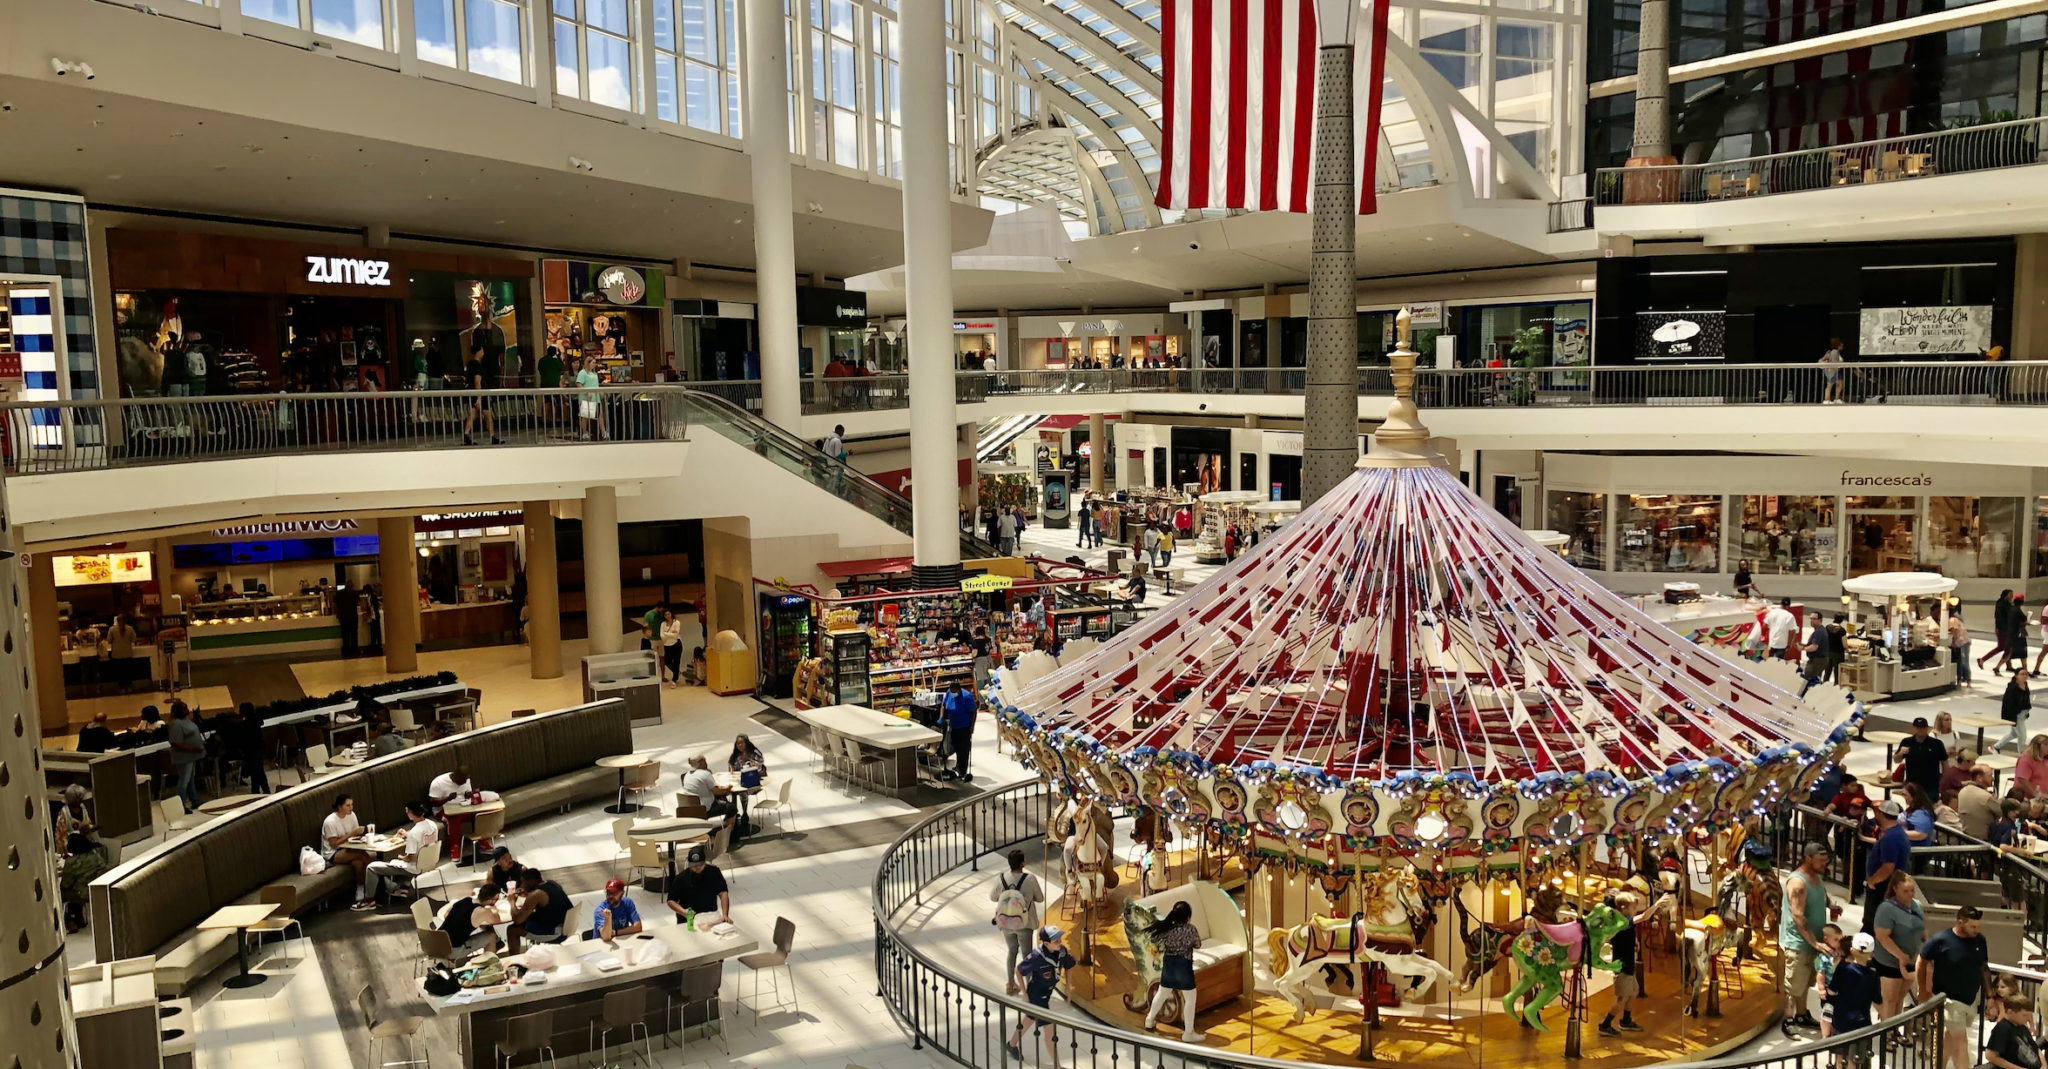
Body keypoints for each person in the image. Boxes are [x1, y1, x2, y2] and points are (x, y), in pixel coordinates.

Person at [1920, 905, 1992, 1069]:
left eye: (1978, 926)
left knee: (1949, 1039)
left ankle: (1938, 1066)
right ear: (1960, 922)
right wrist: (1922, 989)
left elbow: (1984, 967)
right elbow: (1921, 961)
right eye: (1973, 926)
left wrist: (1991, 996)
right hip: (1949, 1001)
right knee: (1961, 1043)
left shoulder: (1980, 940)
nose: (1976, 930)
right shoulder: (1940, 940)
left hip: (1970, 1000)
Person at [1780, 841, 1838, 1035]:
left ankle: (1802, 1015)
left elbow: (1820, 892)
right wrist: (1814, 942)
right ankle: (1787, 1021)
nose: (1824, 865)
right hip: (1798, 942)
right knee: (1793, 983)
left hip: (1814, 941)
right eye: (1821, 861)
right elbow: (1798, 915)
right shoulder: (1797, 883)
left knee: (1805, 982)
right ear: (1808, 858)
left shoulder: (1816, 877)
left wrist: (1830, 905)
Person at [1005, 925, 1078, 1067]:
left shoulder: (1061, 952)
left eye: (1059, 938)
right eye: (1055, 940)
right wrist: (1025, 993)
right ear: (1046, 943)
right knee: (1049, 1030)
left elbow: (1069, 965)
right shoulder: (1037, 957)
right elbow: (1019, 970)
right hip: (1036, 996)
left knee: (1029, 1020)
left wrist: (1068, 986)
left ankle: (1011, 1044)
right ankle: (1057, 1066)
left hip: (1047, 993)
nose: (1059, 941)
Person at [1141, 901, 1203, 1042]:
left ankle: (1149, 1019)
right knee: (1190, 999)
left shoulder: (1167, 928)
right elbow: (1198, 944)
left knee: (1163, 992)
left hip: (1169, 964)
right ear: (1188, 916)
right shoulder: (1191, 930)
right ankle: (1188, 1033)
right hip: (1184, 966)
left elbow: (1154, 938)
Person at [363, 800, 438, 907]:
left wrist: (402, 858)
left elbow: (411, 857)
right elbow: (424, 840)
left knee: (371, 867)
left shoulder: (414, 832)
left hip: (415, 867)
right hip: (430, 862)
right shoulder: (432, 824)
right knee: (396, 862)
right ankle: (402, 887)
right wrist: (407, 835)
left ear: (410, 812)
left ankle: (368, 900)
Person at [991, 849, 1045, 994]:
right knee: (1027, 954)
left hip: (1005, 921)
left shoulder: (1001, 877)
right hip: (1024, 922)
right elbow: (1040, 898)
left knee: (1012, 950)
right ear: (1023, 863)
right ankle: (1029, 986)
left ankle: (1010, 984)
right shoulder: (1030, 879)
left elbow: (993, 897)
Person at [1872, 873, 1925, 1021]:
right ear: (1895, 889)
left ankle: (1894, 1031)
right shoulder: (1886, 909)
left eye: (1912, 891)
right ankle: (1887, 1037)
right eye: (1905, 891)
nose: (1910, 895)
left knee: (1900, 998)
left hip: (1911, 960)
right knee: (1890, 1000)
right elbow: (1882, 936)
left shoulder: (1917, 906)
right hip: (1889, 961)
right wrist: (1900, 956)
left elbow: (1922, 928)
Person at [1862, 801, 1910, 935]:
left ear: (1881, 814)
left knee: (1872, 924)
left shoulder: (1891, 838)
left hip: (1881, 888)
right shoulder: (1895, 833)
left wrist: (1872, 881)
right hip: (1886, 886)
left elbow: (1888, 867)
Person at [323, 794, 377, 910]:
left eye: (351, 805)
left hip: (350, 847)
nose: (351, 808)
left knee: (359, 863)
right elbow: (333, 844)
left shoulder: (351, 815)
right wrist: (352, 834)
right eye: (348, 805)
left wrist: (359, 836)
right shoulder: (330, 822)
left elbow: (356, 835)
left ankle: (360, 888)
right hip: (333, 853)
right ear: (339, 807)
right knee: (360, 854)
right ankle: (383, 877)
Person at [1825, 933, 1881, 1036]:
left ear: (1851, 950)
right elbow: (1877, 1001)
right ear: (1872, 954)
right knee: (1862, 1051)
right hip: (1862, 1024)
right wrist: (1881, 1012)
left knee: (1840, 1050)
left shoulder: (1842, 969)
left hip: (1841, 1021)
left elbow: (1831, 991)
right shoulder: (1873, 976)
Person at [508, 868, 571, 953]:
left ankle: (514, 960)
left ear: (531, 882)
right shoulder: (551, 883)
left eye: (523, 882)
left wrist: (511, 901)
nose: (522, 885)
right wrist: (527, 894)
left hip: (557, 931)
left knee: (512, 929)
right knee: (529, 918)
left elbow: (517, 920)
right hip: (567, 925)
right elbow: (549, 900)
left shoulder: (536, 894)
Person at [665, 846, 731, 925]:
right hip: (688, 919)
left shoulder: (714, 873)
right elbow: (671, 900)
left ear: (704, 862)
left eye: (700, 865)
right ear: (689, 864)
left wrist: (725, 914)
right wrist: (684, 912)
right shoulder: (681, 878)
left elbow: (723, 893)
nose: (697, 868)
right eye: (694, 866)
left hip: (710, 915)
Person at [434, 882, 506, 952]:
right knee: (491, 937)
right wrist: (495, 911)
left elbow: (446, 915)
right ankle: (489, 961)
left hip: (436, 942)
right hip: (452, 949)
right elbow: (497, 921)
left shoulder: (466, 900)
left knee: (485, 928)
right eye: (496, 899)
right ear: (489, 901)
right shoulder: (481, 911)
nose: (496, 901)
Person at [166, 701, 206, 812]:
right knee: (183, 782)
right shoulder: (176, 724)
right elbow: (176, 743)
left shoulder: (186, 721)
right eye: (185, 708)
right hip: (184, 757)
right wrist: (194, 749)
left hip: (191, 757)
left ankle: (194, 800)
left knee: (190, 780)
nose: (187, 710)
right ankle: (181, 806)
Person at [1898, 717, 1949, 803]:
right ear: (1913, 728)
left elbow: (1945, 763)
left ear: (1927, 728)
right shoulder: (1906, 742)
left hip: (1931, 786)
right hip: (1913, 785)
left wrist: (1944, 781)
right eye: (1918, 727)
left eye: (1923, 727)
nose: (1920, 730)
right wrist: (1901, 753)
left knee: (1931, 809)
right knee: (1913, 809)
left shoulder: (1936, 744)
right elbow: (1897, 759)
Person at [460, 344, 502, 446]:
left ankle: (466, 434)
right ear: (478, 352)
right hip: (479, 393)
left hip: (472, 392)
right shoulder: (478, 366)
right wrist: (479, 397)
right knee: (486, 414)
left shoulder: (469, 364)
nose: (483, 353)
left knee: (474, 413)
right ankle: (492, 436)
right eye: (482, 351)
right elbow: (477, 381)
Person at [1985, 995, 2040, 1069]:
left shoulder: (2022, 1027)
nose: (2028, 1018)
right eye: (2024, 1015)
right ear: (2010, 1012)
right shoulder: (2002, 1028)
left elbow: (2035, 1048)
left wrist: (2044, 1065)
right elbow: (1990, 1055)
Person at [680, 755, 736, 820]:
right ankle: (729, 829)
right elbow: (717, 791)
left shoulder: (687, 775)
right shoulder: (705, 774)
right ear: (701, 762)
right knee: (732, 808)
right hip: (705, 808)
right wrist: (727, 789)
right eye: (705, 761)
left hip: (690, 808)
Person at [943, 679, 978, 782]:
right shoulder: (949, 693)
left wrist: (972, 726)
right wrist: (943, 717)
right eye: (952, 691)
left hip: (964, 726)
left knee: (963, 750)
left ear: (959, 689)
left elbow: (973, 711)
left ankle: (962, 771)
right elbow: (944, 705)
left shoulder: (967, 697)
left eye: (955, 691)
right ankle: (958, 766)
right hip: (953, 725)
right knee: (955, 747)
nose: (953, 693)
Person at [1960, 766, 2002, 839]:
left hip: (1967, 837)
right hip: (1984, 841)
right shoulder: (1986, 797)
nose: (1993, 778)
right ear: (1979, 777)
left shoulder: (1963, 791)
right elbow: (2002, 811)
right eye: (1990, 775)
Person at [1999, 669, 2034, 752]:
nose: (2025, 676)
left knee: (2014, 734)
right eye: (2022, 674)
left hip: (2023, 714)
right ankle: (2022, 755)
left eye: (2026, 674)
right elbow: (2008, 704)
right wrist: (2011, 718)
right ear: (2016, 675)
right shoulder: (2012, 688)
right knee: (2022, 736)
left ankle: (1996, 746)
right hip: (2016, 715)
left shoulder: (2025, 684)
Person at [1983, 590, 2016, 673]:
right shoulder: (2002, 605)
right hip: (2002, 629)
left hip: (2004, 628)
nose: (2012, 596)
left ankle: (2008, 665)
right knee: (2002, 647)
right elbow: (2002, 618)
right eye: (2010, 595)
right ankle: (1983, 659)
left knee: (2007, 647)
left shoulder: (2006, 604)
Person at [575, 355, 607, 440]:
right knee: (585, 415)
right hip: (586, 398)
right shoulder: (583, 372)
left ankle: (603, 432)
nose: (594, 365)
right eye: (593, 363)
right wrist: (586, 392)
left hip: (595, 397)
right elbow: (579, 384)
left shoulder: (594, 374)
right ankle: (584, 432)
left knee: (600, 415)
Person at [1802, 612, 1832, 684]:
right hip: (1819, 659)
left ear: (1820, 620)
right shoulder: (1819, 630)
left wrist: (1803, 648)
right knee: (1815, 680)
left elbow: (1814, 647)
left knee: (1808, 679)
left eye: (1814, 619)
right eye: (1811, 618)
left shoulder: (1819, 632)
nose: (1811, 621)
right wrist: (1805, 645)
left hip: (1817, 660)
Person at [660, 608, 684, 687]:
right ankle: (676, 672)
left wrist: (666, 633)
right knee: (667, 661)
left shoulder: (676, 623)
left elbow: (676, 635)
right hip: (667, 645)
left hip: (676, 644)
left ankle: (674, 679)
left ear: (671, 614)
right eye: (665, 615)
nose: (667, 616)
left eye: (668, 614)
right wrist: (670, 634)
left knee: (676, 661)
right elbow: (662, 636)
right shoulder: (663, 624)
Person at [1819, 338, 1846, 404]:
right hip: (1833, 371)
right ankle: (1826, 400)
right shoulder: (1834, 352)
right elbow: (1834, 362)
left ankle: (1836, 398)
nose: (1842, 345)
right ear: (1838, 345)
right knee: (1830, 385)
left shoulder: (1836, 352)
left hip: (1835, 371)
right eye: (1840, 344)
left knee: (1840, 384)